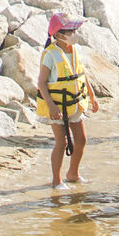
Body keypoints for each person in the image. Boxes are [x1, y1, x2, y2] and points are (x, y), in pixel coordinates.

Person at [35, 13, 99, 188]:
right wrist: (51, 105)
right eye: (70, 31)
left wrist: (92, 96)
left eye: (75, 30)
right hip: (57, 106)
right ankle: (56, 180)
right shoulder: (50, 54)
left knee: (81, 139)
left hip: (75, 103)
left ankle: (73, 173)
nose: (74, 33)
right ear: (58, 35)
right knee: (61, 142)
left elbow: (82, 75)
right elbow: (41, 82)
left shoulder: (76, 50)